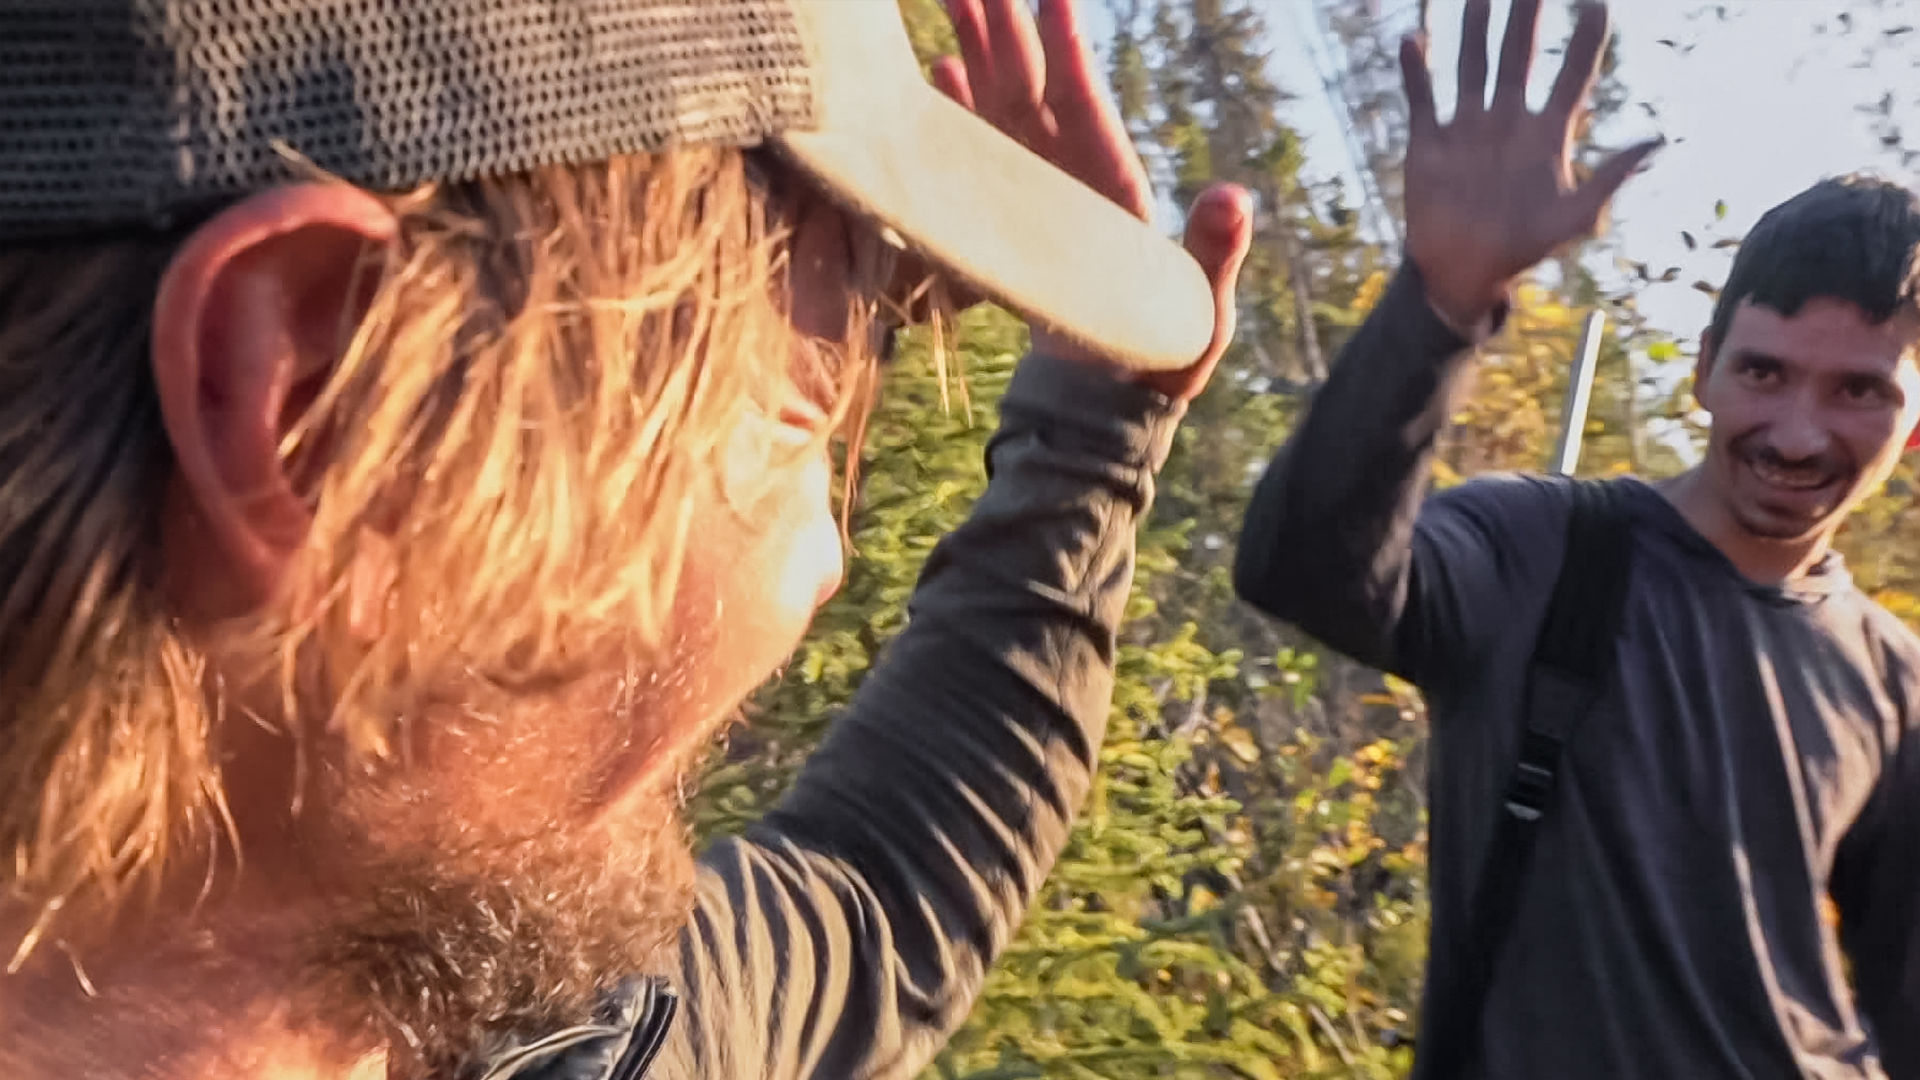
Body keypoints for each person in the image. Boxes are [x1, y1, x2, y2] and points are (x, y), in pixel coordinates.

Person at [0, 1, 1253, 1078]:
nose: (825, 560)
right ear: (323, 411)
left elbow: (885, 888)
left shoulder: (583, 1025)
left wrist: (1092, 431)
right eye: (809, 391)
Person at [1233, 0, 1920, 1077]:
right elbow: (1305, 569)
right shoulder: (1542, 551)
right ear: (1703, 368)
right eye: (1764, 371)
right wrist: (1440, 305)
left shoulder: (1892, 679)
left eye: (1858, 391)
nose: (1797, 434)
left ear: (1912, 420)